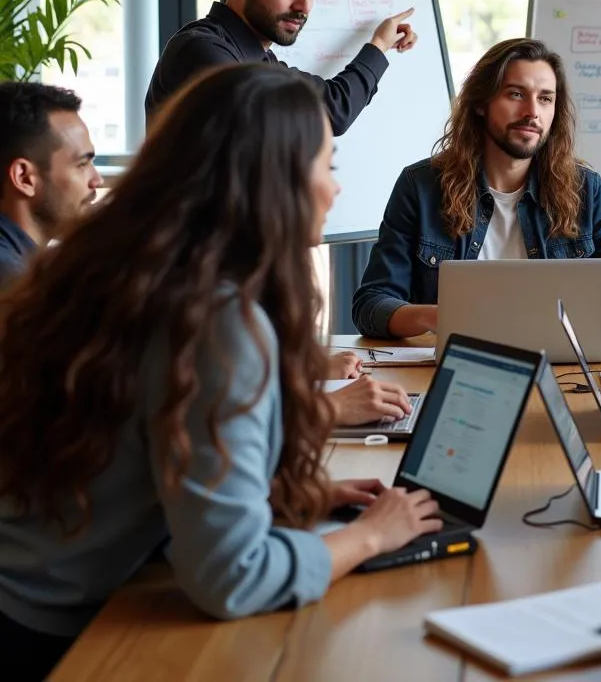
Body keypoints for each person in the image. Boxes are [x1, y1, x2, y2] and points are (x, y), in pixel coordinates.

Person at [0, 64, 442, 680]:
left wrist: (286, 497)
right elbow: (231, 577)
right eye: (328, 166)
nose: (334, 191)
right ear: (273, 180)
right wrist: (371, 535)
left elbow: (145, 460)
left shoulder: (121, 271)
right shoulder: (216, 319)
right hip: (61, 641)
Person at [352, 38, 601, 340]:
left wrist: (586, 334)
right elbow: (372, 304)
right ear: (482, 104)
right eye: (516, 94)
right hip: (453, 369)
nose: (532, 112)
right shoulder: (420, 186)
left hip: (563, 369)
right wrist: (440, 317)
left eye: (545, 98)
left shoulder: (586, 190)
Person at [144, 0, 417, 133]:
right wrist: (377, 47)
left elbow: (333, 106)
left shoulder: (258, 59)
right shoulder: (202, 52)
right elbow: (333, 111)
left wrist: (380, 45)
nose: (304, 6)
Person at [0, 82, 102, 288]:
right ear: (24, 178)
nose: (97, 180)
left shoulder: (25, 268)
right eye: (82, 164)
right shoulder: (13, 288)